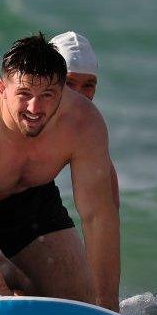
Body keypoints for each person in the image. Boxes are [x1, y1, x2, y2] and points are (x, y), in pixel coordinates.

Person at [0, 33, 120, 311]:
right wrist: (4, 308)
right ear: (1, 88)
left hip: (24, 196)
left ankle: (10, 272)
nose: (35, 108)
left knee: (79, 302)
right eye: (24, 95)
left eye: (47, 95)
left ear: (61, 92)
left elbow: (98, 217)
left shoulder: (84, 123)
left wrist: (108, 309)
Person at [49, 30, 119, 209]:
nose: (79, 95)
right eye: (69, 83)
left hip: (39, 197)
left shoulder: (87, 128)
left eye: (88, 85)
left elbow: (106, 205)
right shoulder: (25, 116)